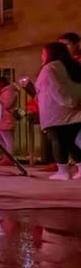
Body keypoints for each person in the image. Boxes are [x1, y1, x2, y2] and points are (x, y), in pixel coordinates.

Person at [33, 41, 81, 180]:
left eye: (43, 53)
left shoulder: (49, 68)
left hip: (57, 112)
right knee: (69, 142)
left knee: (58, 141)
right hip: (74, 112)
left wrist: (69, 102)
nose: (41, 56)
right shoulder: (72, 66)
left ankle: (63, 171)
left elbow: (56, 89)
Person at [0, 76, 18, 166]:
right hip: (1, 118)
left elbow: (7, 104)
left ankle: (9, 158)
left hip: (6, 118)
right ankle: (6, 157)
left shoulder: (9, 91)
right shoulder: (3, 92)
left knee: (7, 139)